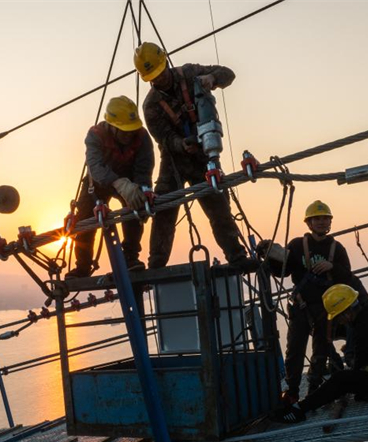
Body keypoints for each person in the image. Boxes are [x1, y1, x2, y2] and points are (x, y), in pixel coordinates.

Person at [133, 42, 258, 273]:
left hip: (204, 155)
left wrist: (212, 77)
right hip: (173, 161)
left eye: (160, 72)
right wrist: (181, 145)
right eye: (153, 77)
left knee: (218, 207)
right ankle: (156, 268)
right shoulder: (151, 105)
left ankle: (236, 255)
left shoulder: (189, 73)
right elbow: (164, 138)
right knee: (164, 211)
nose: (159, 79)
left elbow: (228, 74)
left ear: (165, 62)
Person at [272, 284, 368, 423]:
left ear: (347, 313)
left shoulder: (365, 329)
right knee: (346, 377)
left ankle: (300, 410)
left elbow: (359, 367)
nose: (340, 322)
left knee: (341, 379)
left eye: (338, 317)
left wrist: (346, 373)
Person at [256, 200, 350, 402]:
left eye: (325, 218)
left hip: (327, 308)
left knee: (320, 350)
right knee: (295, 350)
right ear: (309, 223)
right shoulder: (297, 245)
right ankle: (292, 391)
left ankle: (314, 389)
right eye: (317, 219)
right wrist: (269, 255)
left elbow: (347, 277)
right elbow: (283, 272)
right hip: (301, 306)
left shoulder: (337, 248)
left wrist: (332, 267)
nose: (321, 222)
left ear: (330, 221)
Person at [66, 96, 155, 279]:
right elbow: (95, 167)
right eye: (124, 131)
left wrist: (143, 191)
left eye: (131, 130)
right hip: (98, 181)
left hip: (130, 179)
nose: (128, 135)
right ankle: (82, 267)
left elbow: (144, 168)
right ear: (112, 126)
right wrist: (118, 183)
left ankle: (130, 257)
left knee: (135, 209)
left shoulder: (141, 136)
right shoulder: (95, 135)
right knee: (85, 220)